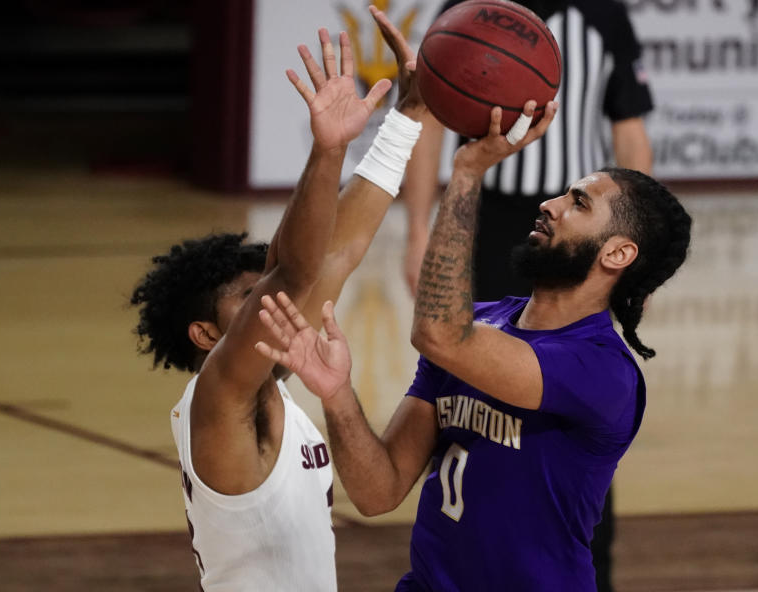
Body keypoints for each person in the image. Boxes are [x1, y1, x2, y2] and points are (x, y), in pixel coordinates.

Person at [253, 102, 691, 591]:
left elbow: (439, 333)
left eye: (580, 203)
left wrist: (466, 171)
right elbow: (379, 491)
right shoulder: (483, 321)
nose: (551, 204)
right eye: (566, 194)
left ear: (617, 253)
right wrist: (337, 396)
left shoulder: (602, 371)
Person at [129, 8, 425, 591]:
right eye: (249, 297)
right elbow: (295, 271)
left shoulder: (270, 389)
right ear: (206, 335)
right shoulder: (217, 398)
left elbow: (337, 254)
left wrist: (407, 120)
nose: (274, 303)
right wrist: (327, 152)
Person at [402, 0, 655, 586]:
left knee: (574, 412)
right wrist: (414, 231)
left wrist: (635, 252)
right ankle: (470, 534)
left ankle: (585, 566)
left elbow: (630, 136)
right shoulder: (466, 11)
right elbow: (430, 131)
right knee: (465, 384)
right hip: (488, 227)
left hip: (576, 233)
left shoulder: (604, 16)